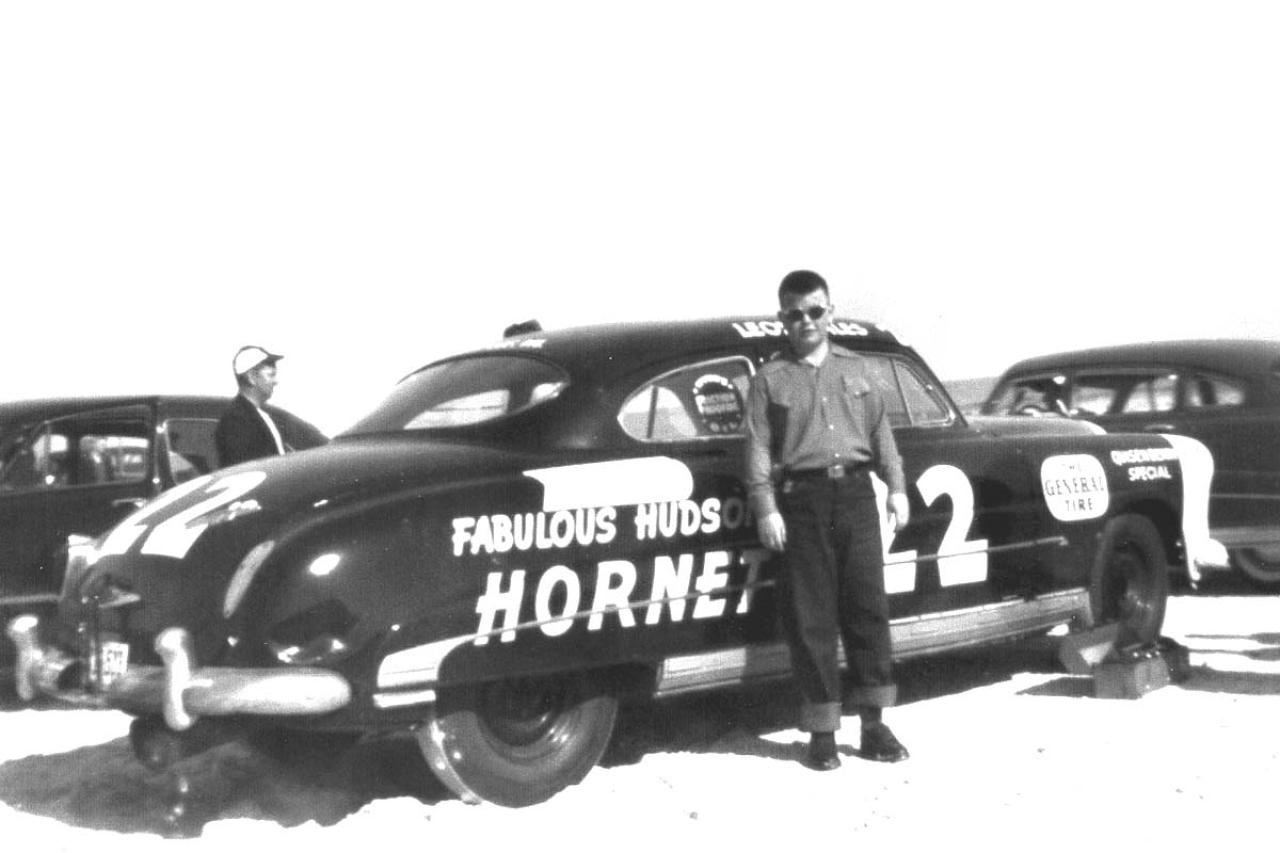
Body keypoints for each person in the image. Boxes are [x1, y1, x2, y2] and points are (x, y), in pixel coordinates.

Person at [744, 270, 911, 771]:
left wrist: (897, 489)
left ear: (830, 312)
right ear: (783, 318)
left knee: (867, 610)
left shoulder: (859, 369)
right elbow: (757, 448)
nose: (807, 321)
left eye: (816, 311)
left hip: (856, 496)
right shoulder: (769, 379)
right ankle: (822, 732)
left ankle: (874, 726)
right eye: (795, 314)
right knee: (811, 618)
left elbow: (882, 436)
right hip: (802, 501)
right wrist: (766, 507)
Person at [214, 345, 327, 468]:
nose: (276, 381)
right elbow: (245, 469)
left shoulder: (261, 415)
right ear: (251, 378)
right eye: (271, 375)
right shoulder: (236, 420)